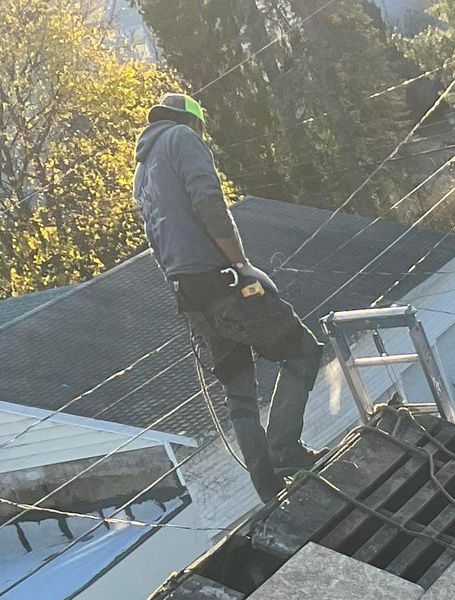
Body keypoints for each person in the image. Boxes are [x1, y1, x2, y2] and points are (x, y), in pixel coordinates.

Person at [132, 93, 325, 505]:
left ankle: (269, 489)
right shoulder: (183, 139)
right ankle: (286, 451)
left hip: (190, 296)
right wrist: (242, 265)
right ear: (193, 122)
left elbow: (155, 240)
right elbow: (209, 203)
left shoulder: (142, 171)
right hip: (224, 283)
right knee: (303, 350)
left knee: (239, 392)